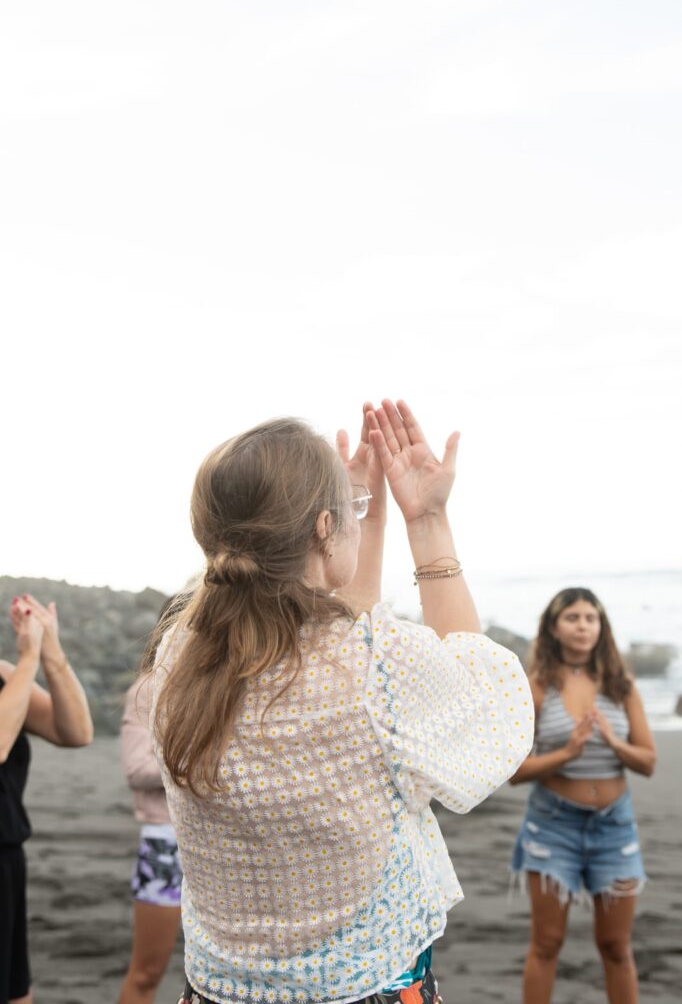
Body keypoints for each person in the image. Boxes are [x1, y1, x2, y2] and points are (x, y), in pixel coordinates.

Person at [146, 400, 534, 1004]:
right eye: (345, 517)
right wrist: (427, 522)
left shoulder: (179, 657)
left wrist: (359, 515)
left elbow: (335, 633)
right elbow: (488, 713)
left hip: (218, 991)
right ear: (323, 529)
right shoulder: (376, 666)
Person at [510, 588, 656, 1004]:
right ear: (554, 627)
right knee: (547, 943)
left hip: (614, 827)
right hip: (553, 826)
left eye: (591, 618)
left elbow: (647, 762)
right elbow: (516, 773)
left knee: (615, 946)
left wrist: (614, 743)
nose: (583, 626)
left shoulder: (620, 685)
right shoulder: (536, 688)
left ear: (601, 626)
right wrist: (567, 753)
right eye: (572, 617)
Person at [0, 593, 94, 1004]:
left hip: (6, 863)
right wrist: (28, 659)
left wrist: (50, 650)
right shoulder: (15, 675)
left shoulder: (6, 679)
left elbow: (75, 732)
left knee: (16, 993)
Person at [118, 598, 187, 1004]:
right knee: (148, 973)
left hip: (220, 843)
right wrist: (198, 764)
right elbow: (136, 770)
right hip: (164, 845)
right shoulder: (147, 688)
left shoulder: (223, 687)